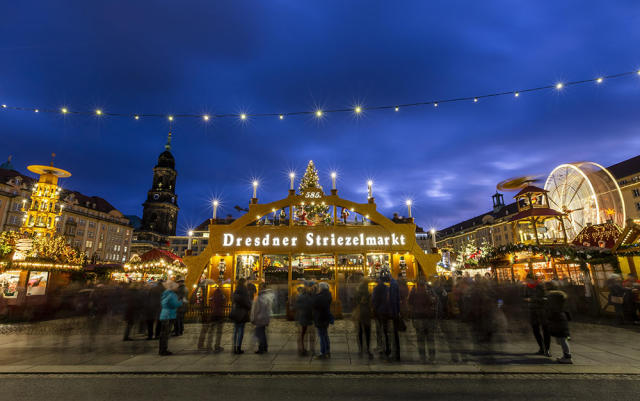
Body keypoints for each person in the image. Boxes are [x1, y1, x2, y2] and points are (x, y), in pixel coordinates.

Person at [408, 277, 438, 363]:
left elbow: (410, 302)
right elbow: (435, 301)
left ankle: (422, 357)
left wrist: (412, 315)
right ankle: (432, 358)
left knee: (420, 339)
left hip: (418, 317)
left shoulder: (414, 291)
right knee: (430, 339)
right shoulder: (429, 291)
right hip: (429, 318)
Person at [545, 282, 572, 364]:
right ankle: (566, 355)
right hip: (562, 316)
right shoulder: (562, 295)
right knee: (562, 338)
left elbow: (550, 307)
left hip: (556, 317)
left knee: (562, 338)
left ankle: (567, 357)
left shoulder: (551, 296)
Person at [524, 273, 550, 357]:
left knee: (545, 330)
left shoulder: (540, 286)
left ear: (533, 279)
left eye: (529, 280)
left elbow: (545, 298)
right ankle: (541, 347)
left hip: (542, 311)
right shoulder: (527, 287)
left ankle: (547, 349)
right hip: (533, 311)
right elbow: (524, 296)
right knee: (535, 330)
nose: (527, 281)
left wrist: (532, 299)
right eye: (527, 280)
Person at [198, 284, 226, 352]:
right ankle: (217, 345)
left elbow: (211, 303)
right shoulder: (222, 296)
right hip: (219, 315)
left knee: (211, 331)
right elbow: (223, 304)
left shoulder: (213, 296)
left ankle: (209, 345)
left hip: (213, 315)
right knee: (219, 332)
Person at [158, 280, 182, 356]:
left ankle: (161, 349)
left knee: (163, 334)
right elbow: (174, 304)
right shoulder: (172, 295)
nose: (177, 288)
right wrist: (180, 302)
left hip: (164, 315)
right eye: (176, 287)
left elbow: (164, 303)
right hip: (169, 315)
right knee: (166, 334)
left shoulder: (165, 294)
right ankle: (163, 350)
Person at [250, 282, 274, 354]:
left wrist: (253, 318)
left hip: (260, 318)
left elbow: (257, 309)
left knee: (260, 333)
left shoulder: (260, 297)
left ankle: (261, 348)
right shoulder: (268, 296)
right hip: (265, 317)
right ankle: (264, 347)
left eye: (260, 287)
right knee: (262, 332)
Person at [230, 278, 252, 354]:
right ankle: (238, 347)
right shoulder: (244, 291)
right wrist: (249, 307)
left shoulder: (236, 290)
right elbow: (246, 302)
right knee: (241, 331)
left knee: (235, 330)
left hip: (236, 313)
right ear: (244, 283)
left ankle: (234, 347)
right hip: (242, 313)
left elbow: (233, 300)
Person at [353, 278, 373, 358]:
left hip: (360, 312)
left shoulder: (358, 291)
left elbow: (355, 301)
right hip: (366, 312)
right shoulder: (368, 292)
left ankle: (361, 348)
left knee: (360, 331)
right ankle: (367, 348)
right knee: (367, 331)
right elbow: (371, 302)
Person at [313, 282, 333, 359]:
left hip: (320, 318)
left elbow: (314, 303)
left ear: (321, 288)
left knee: (322, 336)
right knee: (325, 335)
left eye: (319, 287)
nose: (318, 288)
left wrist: (315, 293)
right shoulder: (327, 295)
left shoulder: (320, 296)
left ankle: (323, 352)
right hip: (325, 317)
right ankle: (327, 351)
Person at [295, 283, 315, 356]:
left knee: (303, 335)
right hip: (309, 318)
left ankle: (302, 349)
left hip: (303, 317)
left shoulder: (301, 297)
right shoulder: (311, 297)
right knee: (310, 335)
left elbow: (297, 307)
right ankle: (310, 349)